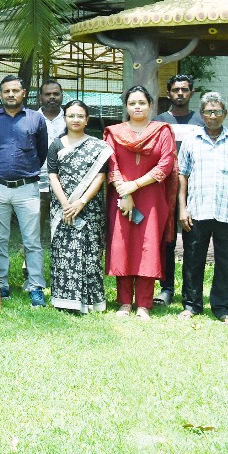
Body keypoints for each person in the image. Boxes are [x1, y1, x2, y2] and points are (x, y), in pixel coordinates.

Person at [178, 92, 228, 323]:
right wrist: (182, 208)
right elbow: (182, 175)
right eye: (208, 112)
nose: (212, 116)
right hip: (197, 211)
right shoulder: (191, 140)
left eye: (217, 111)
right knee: (193, 260)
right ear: (202, 114)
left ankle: (222, 307)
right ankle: (192, 305)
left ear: (225, 114)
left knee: (226, 262)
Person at [104, 86, 176, 319]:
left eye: (142, 103)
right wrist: (125, 193)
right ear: (126, 106)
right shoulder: (114, 133)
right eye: (132, 103)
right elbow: (111, 164)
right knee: (123, 245)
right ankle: (125, 302)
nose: (137, 107)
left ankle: (144, 303)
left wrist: (134, 186)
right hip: (121, 197)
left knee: (148, 246)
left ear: (150, 106)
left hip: (151, 197)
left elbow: (166, 164)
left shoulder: (162, 131)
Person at [0, 75, 49, 305]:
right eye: (6, 91)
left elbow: (41, 152)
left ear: (24, 93)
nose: (11, 94)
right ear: (0, 94)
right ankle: (1, 284)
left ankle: (36, 286)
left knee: (32, 241)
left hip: (27, 188)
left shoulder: (36, 118)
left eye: (15, 90)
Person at [46, 100, 110, 314]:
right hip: (62, 209)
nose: (75, 120)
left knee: (90, 253)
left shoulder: (98, 147)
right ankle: (64, 300)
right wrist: (66, 204)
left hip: (90, 208)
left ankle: (91, 302)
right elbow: (52, 175)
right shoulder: (56, 145)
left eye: (80, 116)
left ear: (87, 119)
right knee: (63, 253)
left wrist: (81, 202)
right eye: (71, 116)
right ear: (65, 119)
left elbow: (100, 177)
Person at [156, 74, 198, 306]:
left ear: (191, 92)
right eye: (175, 90)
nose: (180, 93)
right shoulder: (159, 121)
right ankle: (167, 288)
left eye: (184, 89)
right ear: (169, 93)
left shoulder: (200, 122)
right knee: (167, 242)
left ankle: (191, 292)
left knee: (193, 243)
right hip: (165, 191)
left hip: (195, 191)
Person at [36, 80, 67, 260]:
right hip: (37, 179)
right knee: (35, 226)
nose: (52, 97)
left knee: (65, 222)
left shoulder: (70, 117)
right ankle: (29, 266)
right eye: (48, 94)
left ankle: (64, 261)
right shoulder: (32, 118)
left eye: (56, 94)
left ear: (62, 96)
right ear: (41, 97)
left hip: (65, 180)